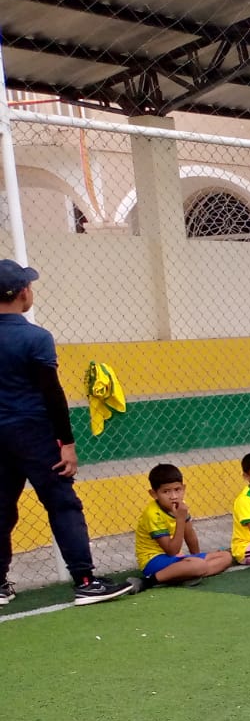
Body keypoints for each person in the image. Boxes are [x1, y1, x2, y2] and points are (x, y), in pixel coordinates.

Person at [0, 260, 135, 606]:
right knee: (63, 504)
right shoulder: (36, 337)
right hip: (34, 433)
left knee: (1, 507)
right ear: (22, 293)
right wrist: (67, 444)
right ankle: (86, 581)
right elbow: (52, 393)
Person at [130, 463, 231, 588]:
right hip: (153, 561)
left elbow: (190, 536)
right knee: (198, 565)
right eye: (166, 491)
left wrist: (196, 556)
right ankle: (148, 582)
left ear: (184, 488)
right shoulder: (153, 514)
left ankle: (184, 575)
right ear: (154, 494)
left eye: (177, 490)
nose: (173, 496)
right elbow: (172, 551)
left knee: (225, 557)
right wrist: (180, 519)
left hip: (175, 559)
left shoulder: (181, 506)